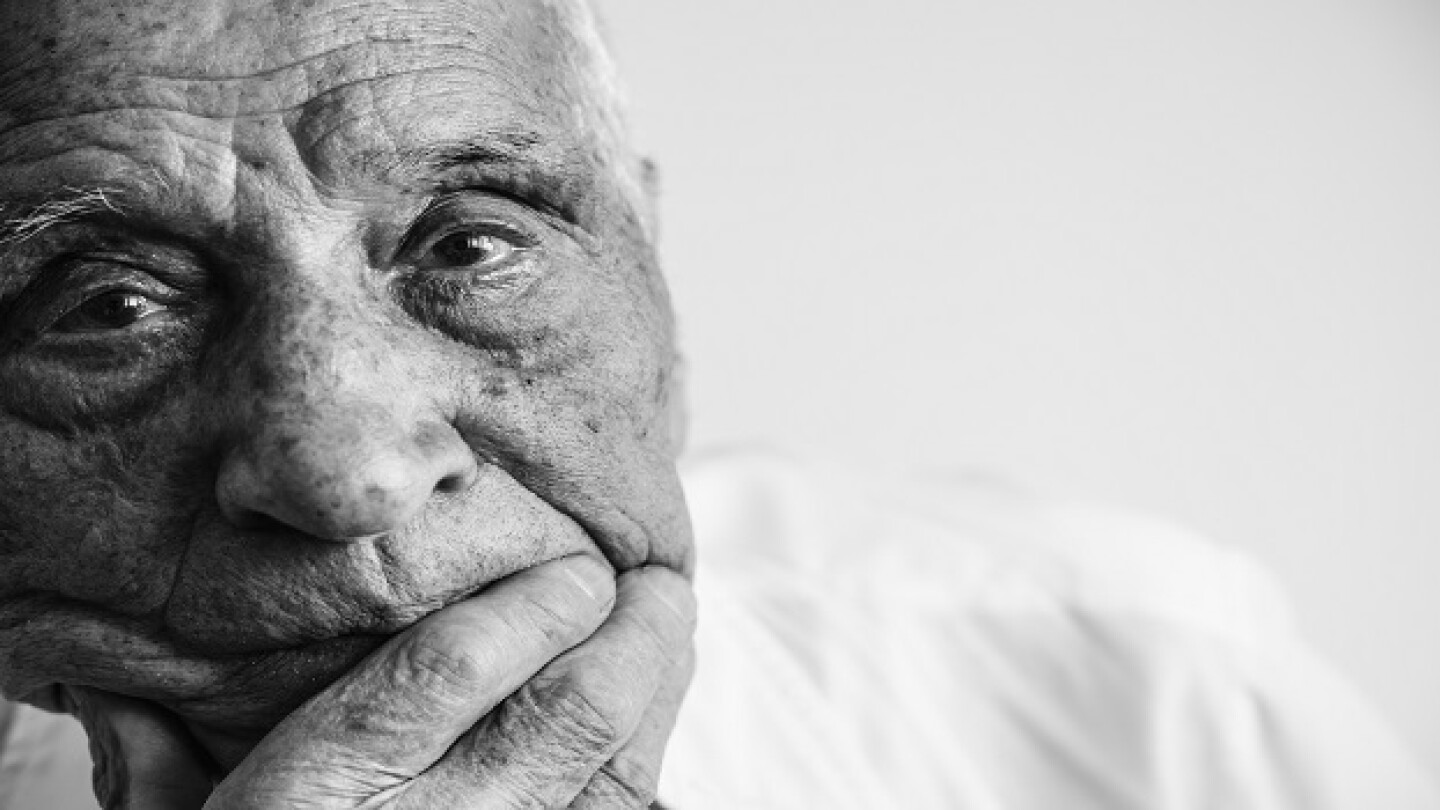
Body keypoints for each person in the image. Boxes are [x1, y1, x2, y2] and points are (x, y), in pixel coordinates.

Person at [0, 1, 1434, 808]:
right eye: (110, 303)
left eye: (472, 242)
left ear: (653, 274)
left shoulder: (1149, 693)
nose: (348, 469)